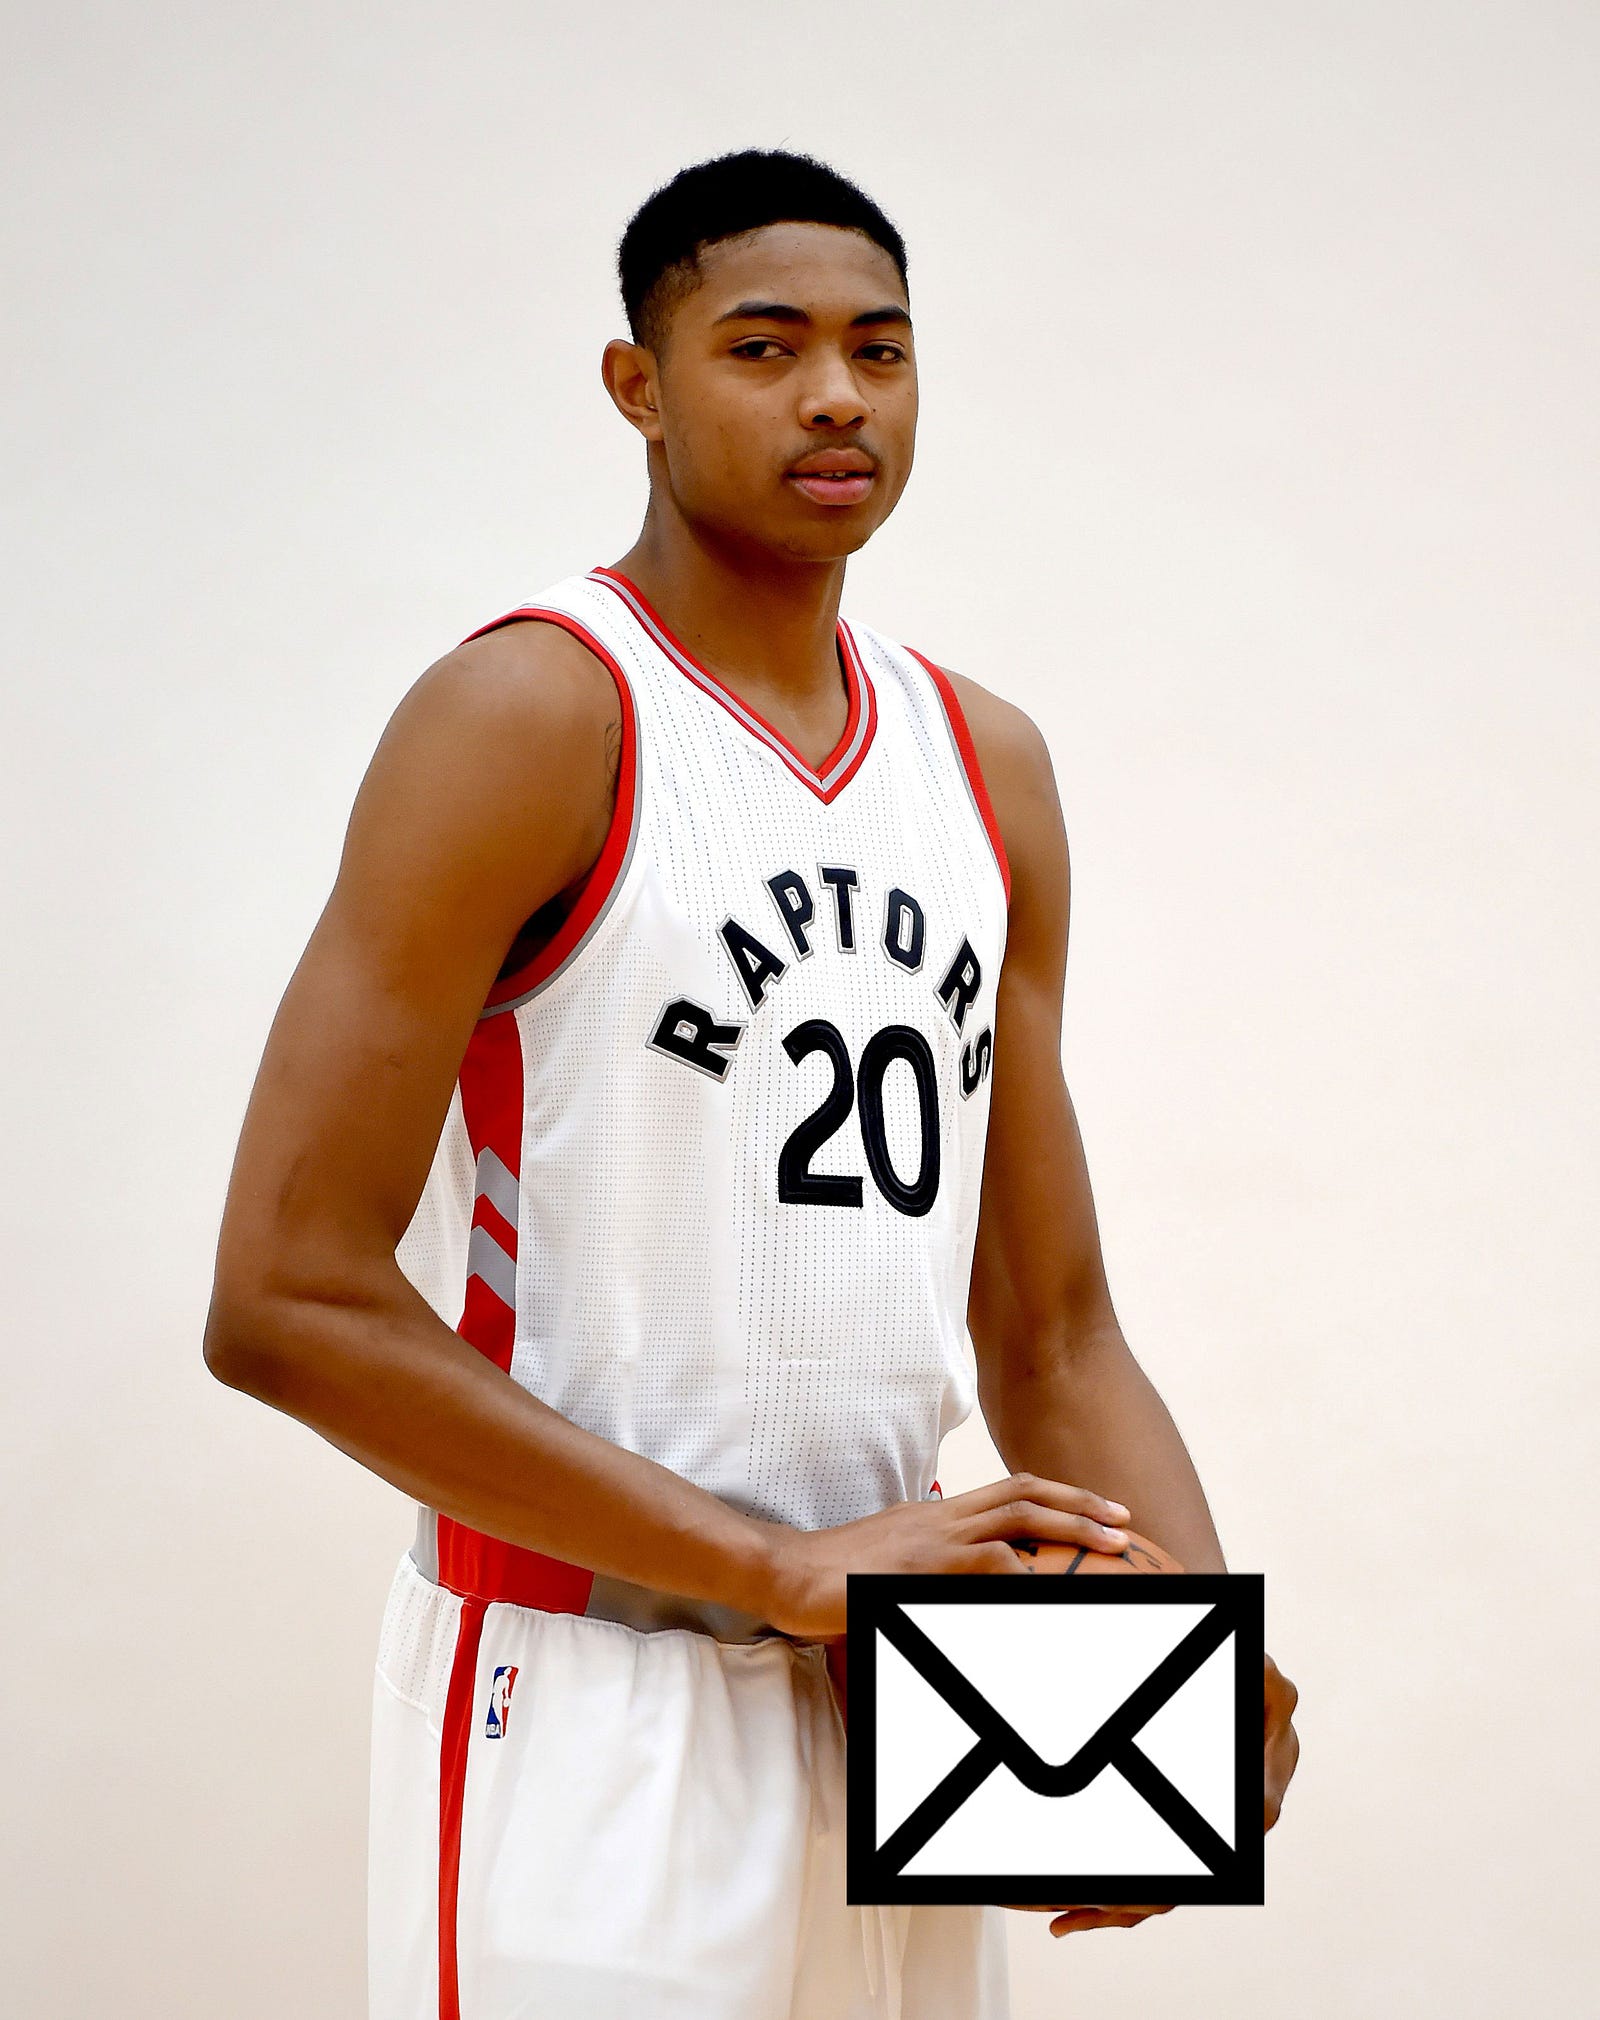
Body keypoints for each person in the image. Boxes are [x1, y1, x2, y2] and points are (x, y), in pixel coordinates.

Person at [203, 146, 1300, 2020]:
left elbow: (1051, 1325)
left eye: (881, 349)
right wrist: (776, 1566)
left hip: (897, 1702)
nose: (836, 397)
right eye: (764, 346)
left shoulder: (987, 765)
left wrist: (1183, 1653)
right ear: (638, 384)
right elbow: (284, 1301)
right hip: (584, 1698)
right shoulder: (532, 713)